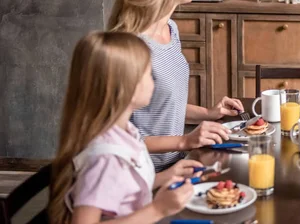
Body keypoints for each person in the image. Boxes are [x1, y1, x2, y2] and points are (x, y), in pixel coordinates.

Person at [108, 0, 244, 171]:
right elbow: (115, 139)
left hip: (176, 164)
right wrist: (185, 140)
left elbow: (161, 108)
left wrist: (208, 113)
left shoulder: (170, 29)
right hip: (139, 176)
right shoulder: (130, 46)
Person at [49, 32, 200, 223]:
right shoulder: (105, 158)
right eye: (149, 74)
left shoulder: (125, 132)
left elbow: (124, 188)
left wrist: (167, 176)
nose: (154, 81)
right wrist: (157, 209)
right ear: (127, 87)